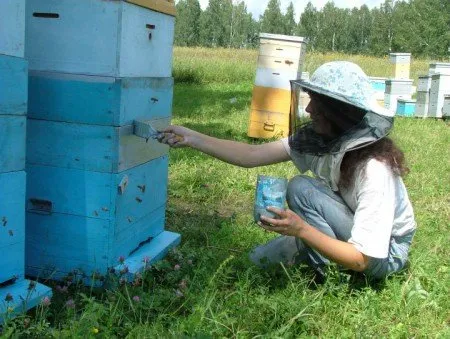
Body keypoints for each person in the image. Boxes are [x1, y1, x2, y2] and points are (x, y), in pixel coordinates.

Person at [159, 61, 416, 280]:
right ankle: (318, 252)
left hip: (383, 254)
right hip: (350, 227)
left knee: (301, 189)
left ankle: (327, 274)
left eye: (317, 103)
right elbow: (251, 155)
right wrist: (191, 137)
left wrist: (302, 230)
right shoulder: (321, 140)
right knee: (256, 261)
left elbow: (364, 259)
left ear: (339, 112)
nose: (308, 110)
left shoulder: (374, 170)